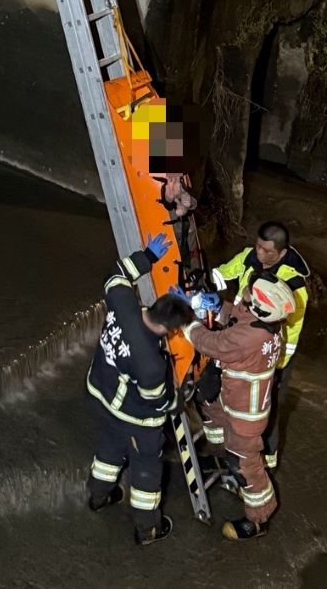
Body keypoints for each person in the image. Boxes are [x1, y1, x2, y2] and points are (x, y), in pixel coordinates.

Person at [85, 232, 196, 546]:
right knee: (145, 467)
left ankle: (98, 496)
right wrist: (179, 398)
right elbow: (157, 401)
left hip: (98, 392)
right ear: (171, 330)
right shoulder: (151, 365)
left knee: (108, 449)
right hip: (132, 417)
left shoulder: (123, 302)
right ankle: (147, 528)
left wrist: (147, 257)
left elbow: (116, 275)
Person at [181, 273, 296, 540]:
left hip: (245, 415)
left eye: (249, 295)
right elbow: (241, 318)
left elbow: (212, 343)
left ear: (260, 307)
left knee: (247, 467)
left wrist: (188, 322)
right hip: (236, 400)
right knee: (210, 405)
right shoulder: (268, 326)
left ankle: (259, 518)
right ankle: (225, 457)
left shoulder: (248, 338)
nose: (244, 294)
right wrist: (219, 307)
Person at [211, 221, 309, 469]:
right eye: (258, 247)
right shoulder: (249, 257)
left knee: (268, 408)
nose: (260, 254)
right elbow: (226, 271)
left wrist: (276, 363)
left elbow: (292, 329)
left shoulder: (293, 285)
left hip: (269, 356)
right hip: (241, 341)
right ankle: (228, 447)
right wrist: (214, 280)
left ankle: (267, 460)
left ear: (283, 253)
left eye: (267, 251)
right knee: (231, 395)